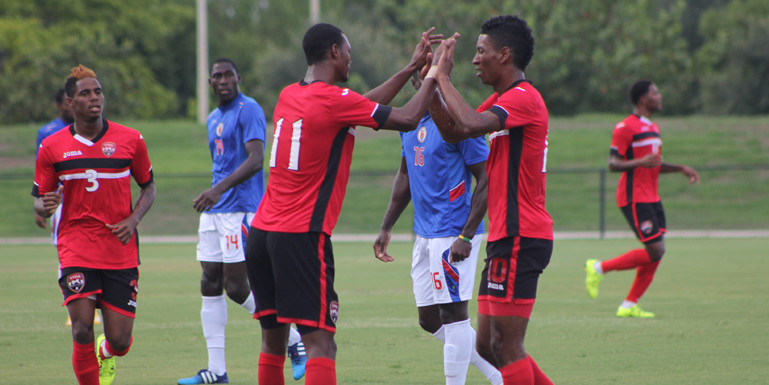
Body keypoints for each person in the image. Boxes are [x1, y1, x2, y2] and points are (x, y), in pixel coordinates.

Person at [245, 23, 444, 385]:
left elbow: (357, 107)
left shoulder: (290, 94)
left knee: (273, 343)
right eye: (348, 50)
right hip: (300, 236)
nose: (351, 57)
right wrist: (434, 73)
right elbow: (409, 118)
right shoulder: (334, 102)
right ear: (335, 51)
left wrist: (408, 68)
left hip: (261, 235)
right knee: (321, 344)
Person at [430, 15, 555, 385]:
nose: (474, 59)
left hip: (522, 235)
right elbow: (454, 131)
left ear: (504, 55)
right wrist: (431, 80)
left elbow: (468, 123)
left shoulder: (523, 99)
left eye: (480, 51)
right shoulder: (503, 100)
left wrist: (443, 78)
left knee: (506, 345)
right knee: (486, 345)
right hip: (506, 236)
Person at [178, 57, 306, 385]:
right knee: (209, 282)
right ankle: (217, 372)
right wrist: (215, 195)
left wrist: (217, 191)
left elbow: (255, 159)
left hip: (241, 210)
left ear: (238, 78)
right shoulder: (212, 118)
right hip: (215, 212)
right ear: (210, 83)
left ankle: (293, 340)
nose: (223, 80)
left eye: (228, 75)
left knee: (236, 286)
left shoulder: (248, 109)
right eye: (217, 76)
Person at [373, 70, 501, 385]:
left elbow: (486, 179)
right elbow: (404, 176)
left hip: (453, 233)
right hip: (425, 233)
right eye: (419, 73)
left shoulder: (459, 126)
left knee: (455, 318)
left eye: (431, 72)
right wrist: (386, 226)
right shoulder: (409, 122)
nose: (423, 78)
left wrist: (466, 235)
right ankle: (500, 375)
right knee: (429, 319)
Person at [32, 65, 156, 385]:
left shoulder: (131, 140)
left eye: (97, 91)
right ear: (70, 103)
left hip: (119, 248)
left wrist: (133, 218)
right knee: (82, 327)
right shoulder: (52, 147)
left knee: (120, 341)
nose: (94, 98)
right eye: (85, 93)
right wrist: (44, 207)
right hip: (76, 245)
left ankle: (107, 352)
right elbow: (38, 199)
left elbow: (149, 186)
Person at [584, 80, 699, 318]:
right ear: (643, 99)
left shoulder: (653, 127)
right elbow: (613, 163)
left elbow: (654, 164)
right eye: (655, 93)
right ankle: (598, 268)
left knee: (657, 250)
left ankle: (629, 305)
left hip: (652, 197)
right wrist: (639, 162)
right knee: (656, 250)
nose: (660, 96)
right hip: (634, 197)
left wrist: (680, 168)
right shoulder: (625, 127)